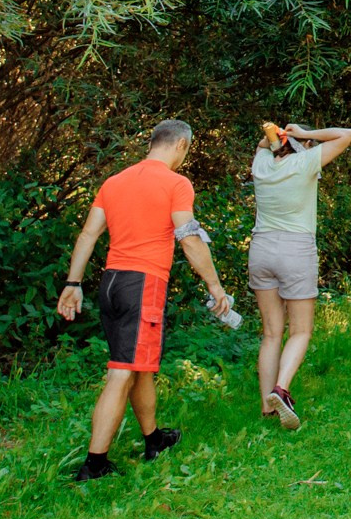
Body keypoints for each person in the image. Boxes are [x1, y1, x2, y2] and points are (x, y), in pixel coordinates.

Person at [56, 119, 235, 481]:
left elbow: (90, 233)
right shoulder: (176, 183)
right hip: (143, 284)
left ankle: (154, 439)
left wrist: (73, 282)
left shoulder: (115, 181)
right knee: (121, 372)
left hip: (111, 282)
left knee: (140, 366)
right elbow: (188, 238)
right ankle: (94, 464)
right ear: (181, 146)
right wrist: (216, 287)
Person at [248, 119, 351, 429]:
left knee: (270, 333)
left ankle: (267, 406)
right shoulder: (305, 163)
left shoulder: (261, 165)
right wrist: (303, 134)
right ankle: (281, 389)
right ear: (303, 145)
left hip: (261, 247)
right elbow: (346, 134)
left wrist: (278, 138)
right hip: (295, 250)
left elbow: (263, 146)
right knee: (301, 330)